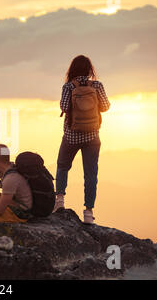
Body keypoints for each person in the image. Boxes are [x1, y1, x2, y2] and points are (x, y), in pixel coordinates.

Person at [53, 55, 110, 224]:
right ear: (89, 69)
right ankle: (88, 213)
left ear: (72, 70)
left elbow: (64, 107)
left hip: (71, 135)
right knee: (91, 174)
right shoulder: (97, 85)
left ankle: (60, 201)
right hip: (92, 135)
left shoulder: (69, 86)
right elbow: (106, 106)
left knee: (63, 166)